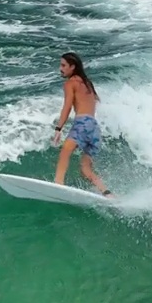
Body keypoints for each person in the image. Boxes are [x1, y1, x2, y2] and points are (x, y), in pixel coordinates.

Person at [52, 52, 112, 196]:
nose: (60, 68)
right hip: (94, 127)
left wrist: (58, 128)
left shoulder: (70, 83)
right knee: (85, 169)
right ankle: (107, 193)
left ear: (72, 67)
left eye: (63, 65)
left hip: (83, 122)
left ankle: (58, 184)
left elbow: (67, 107)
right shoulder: (87, 83)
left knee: (65, 151)